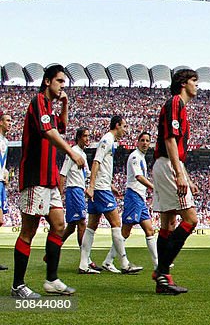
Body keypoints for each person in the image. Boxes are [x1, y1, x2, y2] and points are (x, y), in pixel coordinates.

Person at [11, 64, 86, 298]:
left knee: (59, 226)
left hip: (49, 178)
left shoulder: (50, 108)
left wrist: (65, 104)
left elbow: (60, 127)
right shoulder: (38, 102)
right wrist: (72, 152)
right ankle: (18, 285)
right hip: (35, 176)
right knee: (28, 231)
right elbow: (49, 133)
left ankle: (52, 280)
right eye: (60, 81)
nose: (63, 86)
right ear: (47, 82)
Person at [152, 68, 200, 295]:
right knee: (191, 219)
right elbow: (170, 140)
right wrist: (179, 174)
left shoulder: (179, 106)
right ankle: (161, 271)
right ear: (183, 83)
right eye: (194, 81)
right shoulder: (175, 104)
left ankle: (163, 279)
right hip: (167, 164)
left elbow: (177, 149)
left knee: (168, 223)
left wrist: (186, 177)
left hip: (167, 164)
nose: (196, 85)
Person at [85, 116, 142, 275]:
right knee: (117, 223)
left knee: (92, 226)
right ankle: (124, 263)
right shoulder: (107, 139)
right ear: (117, 125)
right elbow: (96, 161)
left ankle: (84, 263)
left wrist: (110, 185)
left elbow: (101, 165)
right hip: (100, 189)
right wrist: (92, 185)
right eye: (124, 126)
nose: (125, 130)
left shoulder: (110, 141)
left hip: (102, 187)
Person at [57, 127, 98, 274]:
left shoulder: (83, 155)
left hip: (79, 191)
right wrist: (60, 194)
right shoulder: (72, 152)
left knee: (71, 226)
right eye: (85, 136)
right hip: (73, 190)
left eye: (88, 136)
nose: (88, 139)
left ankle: (52, 250)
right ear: (79, 137)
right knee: (82, 223)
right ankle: (85, 261)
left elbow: (87, 174)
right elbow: (62, 173)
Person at [121, 132, 159, 271]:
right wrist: (154, 188)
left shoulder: (141, 157)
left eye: (147, 140)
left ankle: (158, 264)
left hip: (140, 198)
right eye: (142, 140)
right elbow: (138, 176)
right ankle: (109, 260)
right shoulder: (135, 156)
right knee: (125, 231)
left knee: (150, 230)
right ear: (137, 142)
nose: (145, 143)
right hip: (134, 195)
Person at [0, 112, 9, 271]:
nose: (10, 123)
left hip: (1, 183)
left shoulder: (5, 141)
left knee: (0, 221)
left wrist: (5, 172)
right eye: (7, 120)